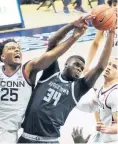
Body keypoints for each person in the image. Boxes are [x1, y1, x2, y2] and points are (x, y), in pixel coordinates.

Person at [18, 15, 115, 143]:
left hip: (50, 140)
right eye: (77, 65)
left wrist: (112, 32)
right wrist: (72, 26)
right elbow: (52, 43)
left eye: (81, 68)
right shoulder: (51, 72)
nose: (79, 69)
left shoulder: (78, 87)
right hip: (26, 138)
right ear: (66, 64)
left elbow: (100, 66)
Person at [0, 15, 91, 143]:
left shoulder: (27, 70)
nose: (17, 50)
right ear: (2, 56)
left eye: (18, 49)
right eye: (11, 48)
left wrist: (74, 36)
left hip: (8, 133)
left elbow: (53, 52)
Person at [84, 0, 118, 73]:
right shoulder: (106, 23)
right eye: (114, 5)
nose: (116, 8)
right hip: (107, 63)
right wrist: (87, 65)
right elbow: (95, 43)